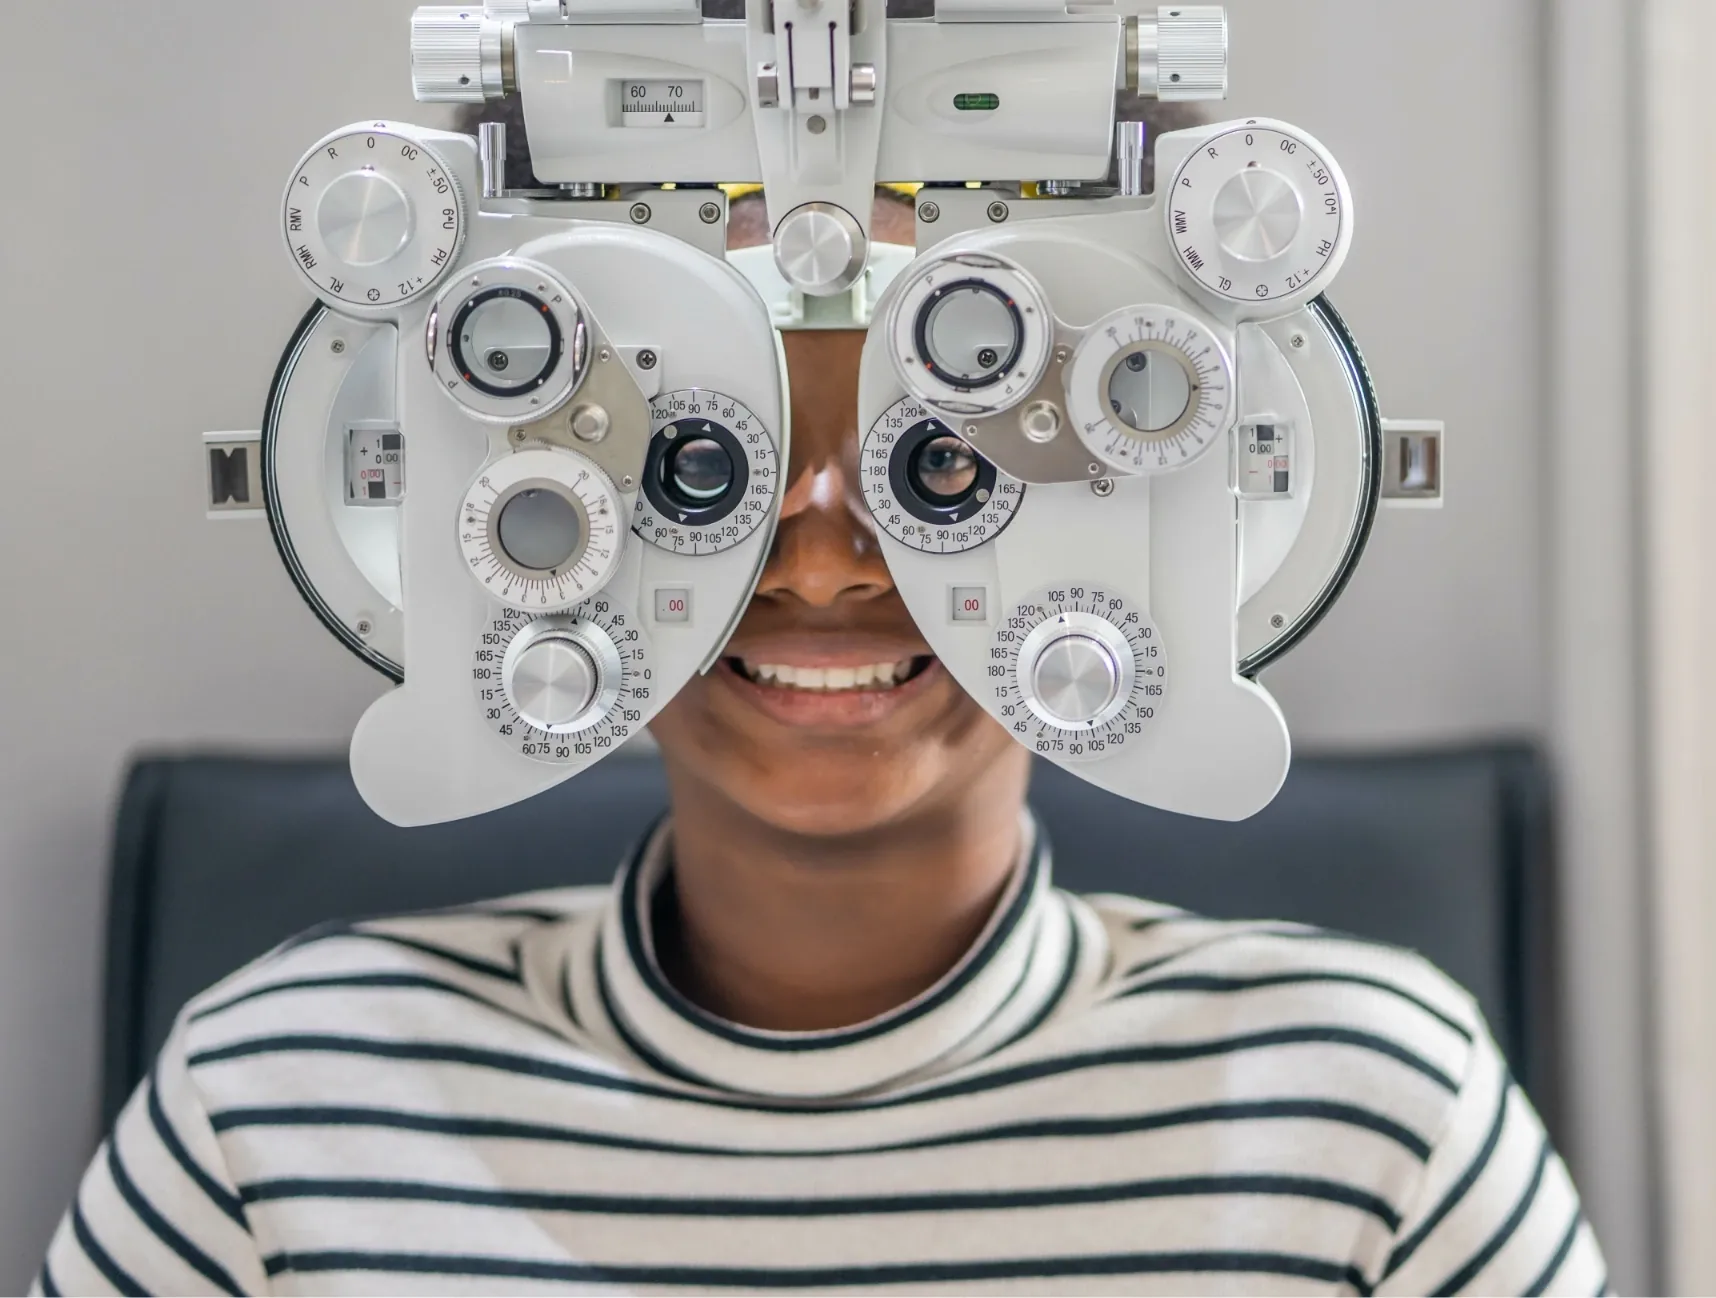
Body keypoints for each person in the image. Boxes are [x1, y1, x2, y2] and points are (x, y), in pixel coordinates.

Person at [38, 88, 1605, 1297]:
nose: (821, 561)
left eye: (950, 463)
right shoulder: (274, 1108)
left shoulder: (1377, 1115)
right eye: (706, 463)